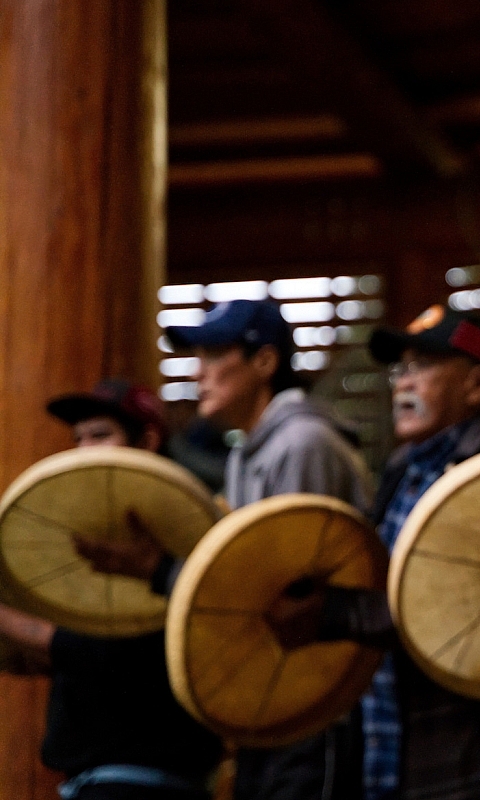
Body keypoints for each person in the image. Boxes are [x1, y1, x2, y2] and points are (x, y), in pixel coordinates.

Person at [265, 306, 480, 800]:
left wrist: (335, 612)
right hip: (403, 752)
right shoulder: (404, 471)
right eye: (399, 371)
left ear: (478, 385)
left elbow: (458, 603)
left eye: (420, 369)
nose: (401, 385)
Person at [78, 300, 375, 800]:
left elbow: (281, 599)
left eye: (216, 356)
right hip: (270, 705)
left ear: (264, 363)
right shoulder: (247, 452)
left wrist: (160, 570)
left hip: (313, 705)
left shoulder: (303, 444)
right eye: (197, 358)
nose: (200, 374)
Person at [0, 379, 224, 800]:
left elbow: (91, 653)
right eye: (78, 438)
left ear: (148, 440)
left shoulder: (179, 546)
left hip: (141, 785)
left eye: (100, 435)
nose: (85, 449)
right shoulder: (103, 552)